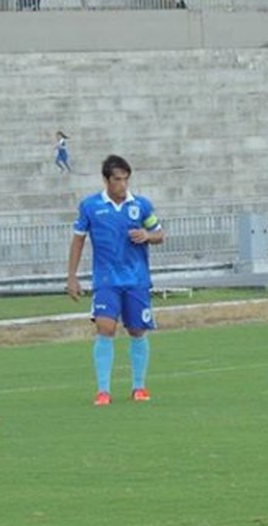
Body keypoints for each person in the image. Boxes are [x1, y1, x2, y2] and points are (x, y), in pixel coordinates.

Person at [66, 155, 164, 406]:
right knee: (105, 328)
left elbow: (160, 233)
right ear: (106, 180)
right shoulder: (90, 207)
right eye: (118, 180)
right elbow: (78, 240)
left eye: (126, 179)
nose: (123, 185)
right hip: (106, 280)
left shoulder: (141, 205)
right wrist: (72, 277)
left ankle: (139, 387)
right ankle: (103, 391)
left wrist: (147, 235)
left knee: (137, 330)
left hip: (136, 280)